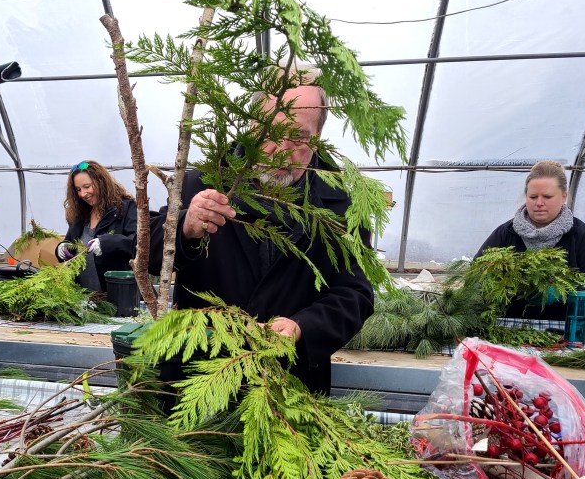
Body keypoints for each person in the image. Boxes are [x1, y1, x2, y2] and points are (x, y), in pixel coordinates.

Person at [149, 80, 374, 396]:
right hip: (197, 379)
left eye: (298, 137)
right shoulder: (201, 183)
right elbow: (146, 254)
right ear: (250, 127)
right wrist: (184, 226)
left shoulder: (341, 206)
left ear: (318, 138)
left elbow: (354, 293)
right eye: (269, 132)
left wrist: (303, 327)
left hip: (289, 386)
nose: (280, 150)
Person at [477, 159, 585, 318]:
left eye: (547, 196)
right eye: (533, 197)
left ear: (564, 196)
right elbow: (477, 273)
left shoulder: (581, 235)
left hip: (566, 325)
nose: (539, 203)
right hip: (510, 324)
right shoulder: (506, 234)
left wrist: (561, 291)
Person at [55, 160, 137, 292]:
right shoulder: (80, 216)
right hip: (84, 297)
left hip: (118, 292)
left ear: (101, 181)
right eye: (78, 190)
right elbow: (71, 243)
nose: (83, 194)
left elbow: (137, 244)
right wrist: (62, 248)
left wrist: (107, 243)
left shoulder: (126, 208)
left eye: (87, 186)